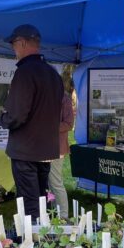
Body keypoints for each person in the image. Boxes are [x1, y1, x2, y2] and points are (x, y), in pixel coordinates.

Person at [0, 24, 64, 220]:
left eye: (14, 44)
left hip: (26, 150)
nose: (13, 49)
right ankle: (43, 239)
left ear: (22, 43)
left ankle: (31, 245)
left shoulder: (25, 73)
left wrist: (3, 117)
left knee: (29, 203)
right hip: (46, 149)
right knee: (42, 198)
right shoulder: (53, 73)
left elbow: (17, 115)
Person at [49, 88, 75, 219]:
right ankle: (55, 213)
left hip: (57, 147)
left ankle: (63, 217)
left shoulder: (64, 98)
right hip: (42, 146)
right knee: (49, 183)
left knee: (55, 182)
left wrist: (47, 126)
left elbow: (69, 124)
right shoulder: (44, 94)